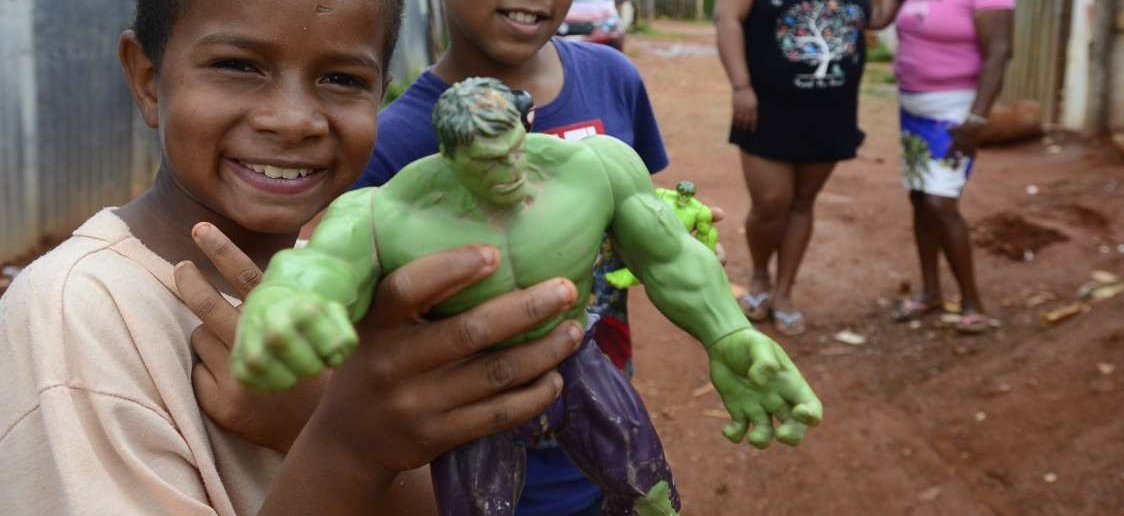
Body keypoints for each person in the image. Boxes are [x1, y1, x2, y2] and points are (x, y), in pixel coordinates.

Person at [0, 0, 584, 516]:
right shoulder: (78, 314)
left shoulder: (364, 282)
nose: (294, 119)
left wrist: (333, 420)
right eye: (238, 66)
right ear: (146, 79)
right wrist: (342, 442)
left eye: (341, 79)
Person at [232, 77, 824, 516]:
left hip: (578, 358)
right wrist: (287, 301)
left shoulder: (595, 169)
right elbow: (325, 266)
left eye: (515, 148)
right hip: (470, 388)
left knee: (651, 497)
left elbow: (670, 256)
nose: (510, 172)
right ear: (450, 155)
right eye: (487, 165)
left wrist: (728, 333)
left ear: (526, 125)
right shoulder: (388, 213)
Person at [353, 0, 670, 516]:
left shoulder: (613, 81)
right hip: (465, 479)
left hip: (604, 438)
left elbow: (651, 233)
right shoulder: (395, 145)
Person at [714, 0, 878, 336]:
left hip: (832, 110)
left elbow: (876, 13)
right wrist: (741, 86)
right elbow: (728, 20)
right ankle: (760, 274)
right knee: (771, 202)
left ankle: (784, 289)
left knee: (804, 201)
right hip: (765, 106)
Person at [872, 0, 1015, 335]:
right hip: (912, 107)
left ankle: (973, 302)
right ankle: (931, 292)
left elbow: (999, 54)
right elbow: (879, 18)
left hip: (954, 110)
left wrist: (976, 121)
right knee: (919, 198)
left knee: (940, 200)